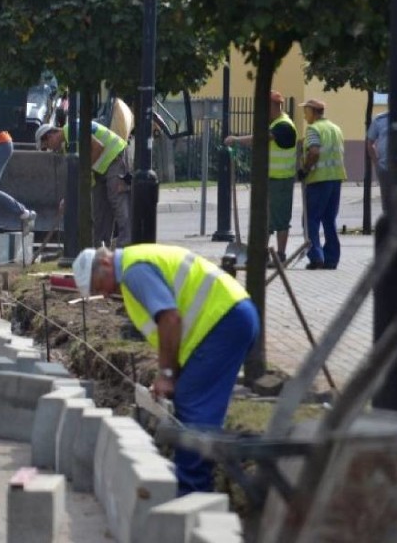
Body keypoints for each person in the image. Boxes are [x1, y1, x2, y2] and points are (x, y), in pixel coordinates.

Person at [72, 245, 259, 495]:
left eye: (99, 286)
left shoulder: (133, 271)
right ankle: (196, 490)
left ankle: (192, 494)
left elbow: (169, 317)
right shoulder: (133, 268)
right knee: (193, 402)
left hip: (224, 320)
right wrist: (174, 374)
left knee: (193, 407)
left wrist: (167, 374)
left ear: (105, 265)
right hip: (227, 318)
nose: (103, 295)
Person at [224, 90, 298, 264]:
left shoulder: (283, 126)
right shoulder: (274, 125)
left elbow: (261, 139)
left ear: (274, 106)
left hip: (280, 181)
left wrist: (237, 139)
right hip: (270, 180)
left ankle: (279, 255)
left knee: (279, 220)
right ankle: (262, 255)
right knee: (265, 220)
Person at [36, 121, 131, 247]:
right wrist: (69, 196)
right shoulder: (68, 147)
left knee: (117, 202)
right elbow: (80, 175)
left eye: (47, 145)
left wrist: (84, 171)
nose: (50, 149)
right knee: (100, 211)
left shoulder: (72, 129)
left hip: (115, 157)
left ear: (49, 136)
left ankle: (126, 245)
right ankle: (100, 249)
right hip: (101, 168)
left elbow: (98, 147)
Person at [297, 99, 346, 270]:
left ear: (313, 112)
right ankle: (332, 258)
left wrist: (304, 169)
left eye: (306, 111)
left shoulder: (313, 129)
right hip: (336, 178)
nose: (304, 115)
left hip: (319, 180)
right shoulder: (335, 129)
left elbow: (314, 151)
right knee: (329, 219)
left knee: (310, 219)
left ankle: (316, 257)